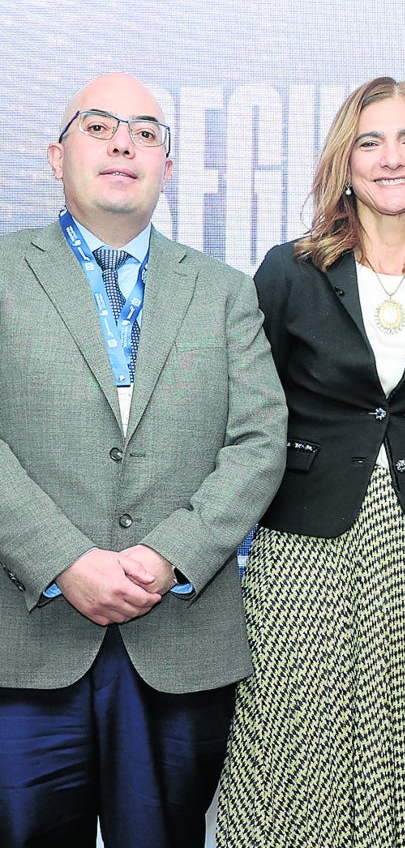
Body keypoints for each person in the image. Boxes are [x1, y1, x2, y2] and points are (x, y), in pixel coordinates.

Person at [215, 77, 405, 848]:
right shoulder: (287, 273)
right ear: (344, 163)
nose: (391, 158)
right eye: (370, 141)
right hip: (306, 553)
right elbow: (243, 419)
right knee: (296, 753)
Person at [0, 73, 287, 848]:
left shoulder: (226, 291)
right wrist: (62, 559)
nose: (124, 142)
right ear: (56, 156)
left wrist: (170, 555)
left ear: (167, 165)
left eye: (146, 131)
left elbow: (261, 441)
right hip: (24, 642)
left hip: (179, 642)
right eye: (100, 126)